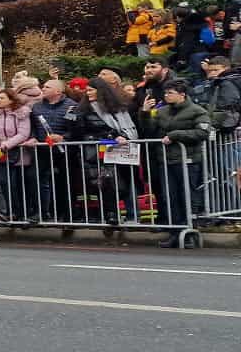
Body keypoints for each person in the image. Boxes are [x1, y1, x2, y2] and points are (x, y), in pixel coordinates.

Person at [139, 81, 210, 247]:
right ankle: (175, 233)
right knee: (170, 197)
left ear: (182, 94)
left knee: (187, 196)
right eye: (165, 93)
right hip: (165, 160)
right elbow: (148, 130)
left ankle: (190, 233)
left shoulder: (197, 111)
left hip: (188, 160)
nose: (166, 95)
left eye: (170, 93)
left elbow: (202, 132)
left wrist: (176, 135)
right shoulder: (162, 111)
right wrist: (145, 113)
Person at [76, 77, 139, 224]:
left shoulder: (118, 108)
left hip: (121, 151)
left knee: (126, 183)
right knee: (106, 183)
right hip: (98, 153)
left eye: (91, 89)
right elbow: (81, 131)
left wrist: (123, 136)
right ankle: (111, 215)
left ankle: (132, 215)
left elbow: (129, 128)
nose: (87, 92)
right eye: (87, 89)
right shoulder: (83, 109)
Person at [0, 88, 35, 221]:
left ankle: (23, 213)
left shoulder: (22, 112)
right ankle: (11, 211)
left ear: (11, 100)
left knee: (18, 183)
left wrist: (7, 144)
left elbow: (24, 133)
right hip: (0, 151)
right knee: (4, 182)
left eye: (2, 98)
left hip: (19, 151)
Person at [31, 79, 81, 221]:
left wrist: (63, 137)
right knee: (37, 180)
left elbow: (75, 129)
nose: (43, 88)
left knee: (64, 182)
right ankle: (42, 212)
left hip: (64, 151)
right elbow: (33, 127)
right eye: (44, 86)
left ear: (58, 91)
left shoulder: (71, 107)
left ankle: (67, 214)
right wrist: (33, 137)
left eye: (47, 87)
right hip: (42, 150)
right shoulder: (37, 107)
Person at [190, 56, 241, 132]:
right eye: (210, 71)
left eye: (216, 70)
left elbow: (225, 106)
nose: (213, 73)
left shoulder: (227, 83)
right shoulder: (214, 82)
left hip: (229, 126)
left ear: (227, 68)